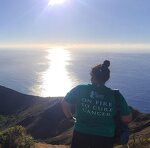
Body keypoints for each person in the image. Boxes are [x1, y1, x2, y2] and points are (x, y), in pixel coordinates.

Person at [62, 60, 132, 148]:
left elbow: (65, 103)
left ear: (92, 76)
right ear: (107, 78)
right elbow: (127, 119)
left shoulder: (80, 89)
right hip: (105, 136)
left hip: (81, 132)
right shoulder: (116, 95)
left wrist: (70, 117)